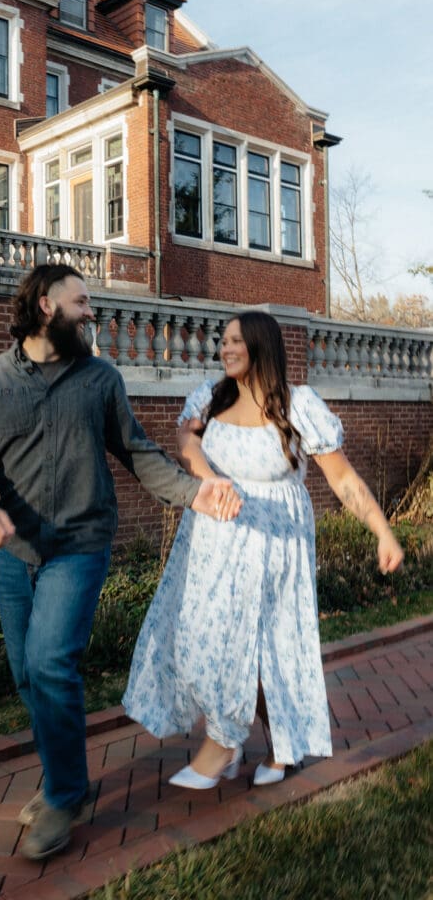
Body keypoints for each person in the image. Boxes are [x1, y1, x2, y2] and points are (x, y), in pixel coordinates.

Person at [0, 264, 241, 860]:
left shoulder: (100, 379)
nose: (91, 311)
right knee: (27, 675)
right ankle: (68, 780)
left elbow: (137, 451)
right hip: (16, 551)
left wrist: (195, 493)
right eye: (81, 301)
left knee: (51, 662)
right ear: (46, 306)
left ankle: (63, 795)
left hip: (80, 546)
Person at [122, 310, 404, 790]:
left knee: (259, 652)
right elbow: (185, 447)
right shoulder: (208, 399)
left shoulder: (298, 407)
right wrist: (212, 480)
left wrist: (383, 530)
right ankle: (259, 740)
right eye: (223, 341)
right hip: (211, 538)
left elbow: (343, 480)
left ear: (260, 347)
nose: (224, 350)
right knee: (200, 638)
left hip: (275, 545)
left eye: (234, 341)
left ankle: (232, 745)